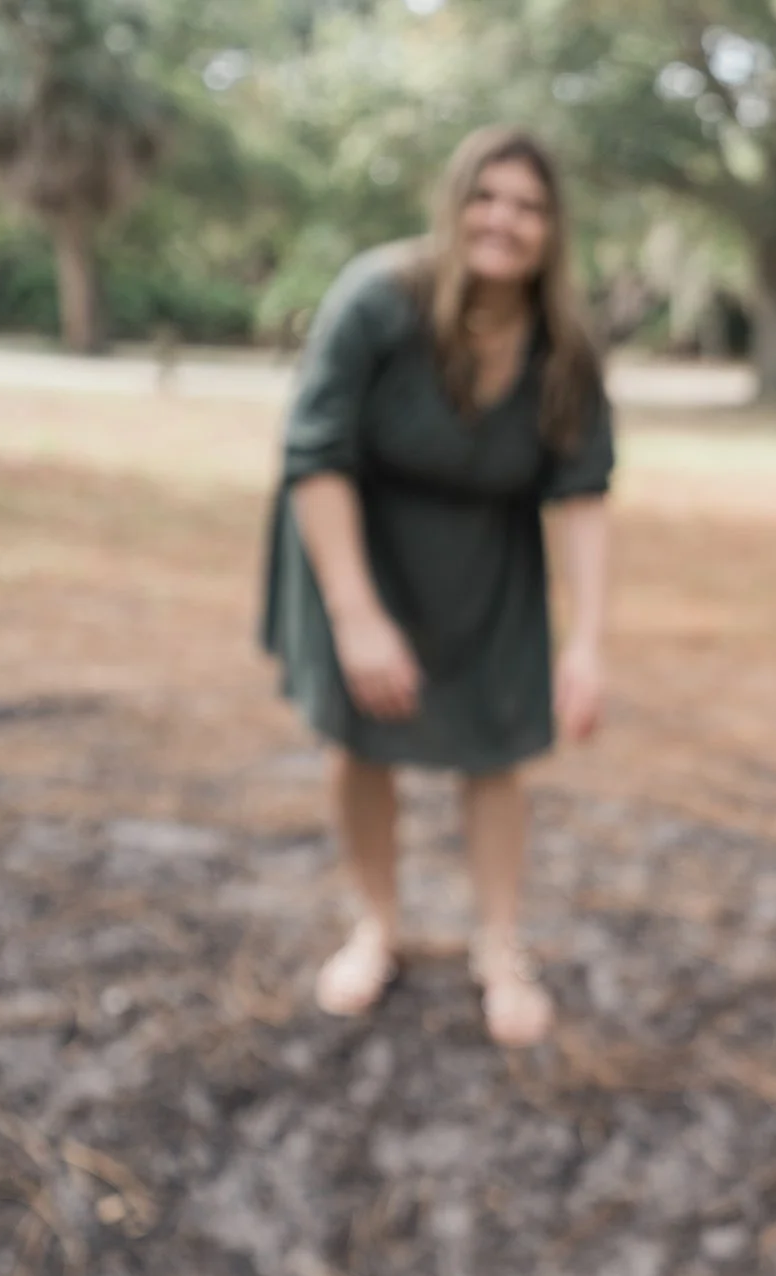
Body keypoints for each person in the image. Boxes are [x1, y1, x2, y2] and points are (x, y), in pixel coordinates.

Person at [261, 126, 614, 1048]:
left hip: (489, 563)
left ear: (552, 227)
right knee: (361, 738)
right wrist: (355, 614)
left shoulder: (565, 342)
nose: (504, 219)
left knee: (495, 752)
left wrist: (586, 642)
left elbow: (582, 494)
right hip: (357, 543)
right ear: (455, 204)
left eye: (529, 205)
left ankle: (500, 946)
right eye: (486, 196)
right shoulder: (378, 298)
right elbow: (314, 454)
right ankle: (375, 925)